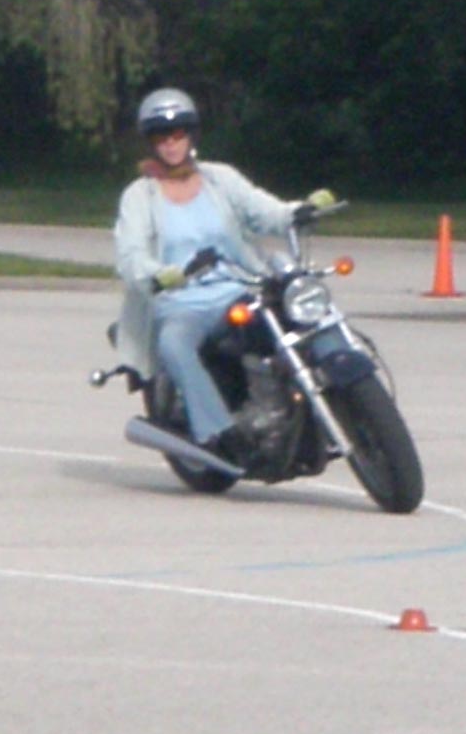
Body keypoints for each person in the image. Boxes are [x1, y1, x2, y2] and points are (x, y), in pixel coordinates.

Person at [113, 87, 335, 457]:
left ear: (191, 135)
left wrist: (299, 210)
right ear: (150, 143)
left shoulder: (220, 179)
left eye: (177, 134)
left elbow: (262, 210)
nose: (171, 144)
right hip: (182, 302)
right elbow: (131, 253)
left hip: (241, 288)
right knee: (173, 345)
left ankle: (335, 385)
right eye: (161, 137)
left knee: (303, 315)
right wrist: (157, 274)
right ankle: (220, 432)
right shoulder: (139, 196)